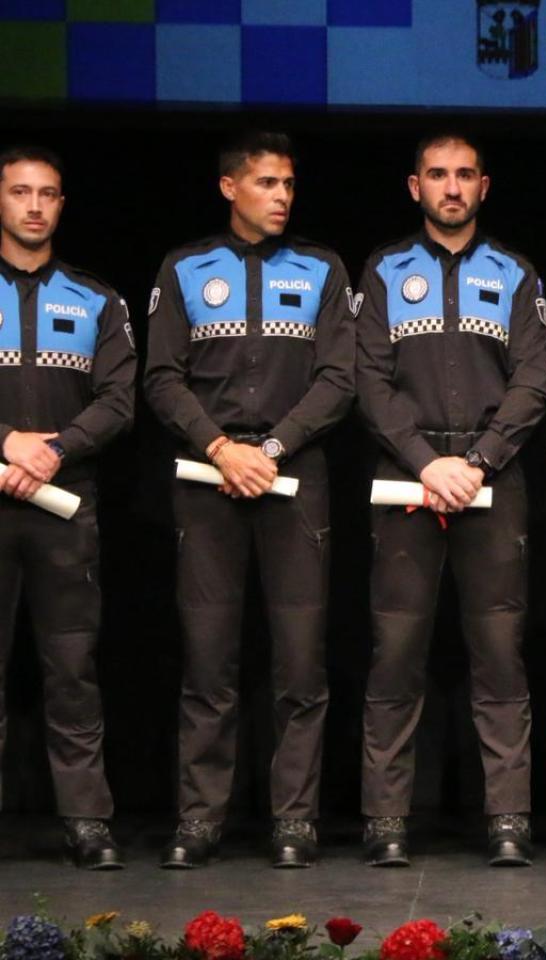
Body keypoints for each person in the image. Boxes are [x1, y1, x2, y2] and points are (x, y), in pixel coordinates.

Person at [145, 131, 352, 869]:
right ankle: (200, 819)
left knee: (300, 664)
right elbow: (161, 377)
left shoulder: (323, 268)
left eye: (289, 184)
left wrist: (269, 450)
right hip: (209, 482)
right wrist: (220, 448)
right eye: (267, 183)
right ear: (229, 187)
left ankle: (294, 821)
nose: (282, 196)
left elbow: (339, 379)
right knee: (209, 662)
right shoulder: (184, 268)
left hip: (293, 481)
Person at [353, 133, 546, 867]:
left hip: (491, 477)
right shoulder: (383, 270)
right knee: (396, 653)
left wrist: (476, 461)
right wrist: (426, 462)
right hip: (407, 476)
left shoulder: (516, 272)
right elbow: (368, 381)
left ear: (484, 186)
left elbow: (533, 382)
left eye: (465, 174)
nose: (452, 186)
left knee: (499, 654)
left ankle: (507, 817)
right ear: (416, 187)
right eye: (438, 175)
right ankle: (385, 819)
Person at [0, 145, 133, 870]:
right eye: (20, 191)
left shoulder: (95, 299)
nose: (34, 206)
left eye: (47, 193)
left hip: (64, 506)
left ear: (61, 204)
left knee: (72, 670)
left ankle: (87, 823)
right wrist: (6, 442)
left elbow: (119, 399)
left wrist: (53, 450)